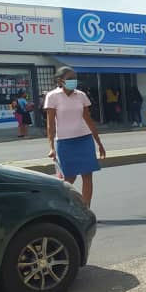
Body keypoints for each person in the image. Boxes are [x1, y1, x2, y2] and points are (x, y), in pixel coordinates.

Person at [45, 67, 106, 208]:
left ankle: (86, 210)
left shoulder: (81, 95)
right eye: (70, 78)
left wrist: (99, 142)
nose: (74, 81)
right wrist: (51, 147)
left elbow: (88, 120)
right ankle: (58, 207)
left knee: (87, 176)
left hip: (84, 139)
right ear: (60, 80)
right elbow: (50, 125)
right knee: (68, 179)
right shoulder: (52, 96)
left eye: (75, 78)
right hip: (64, 142)